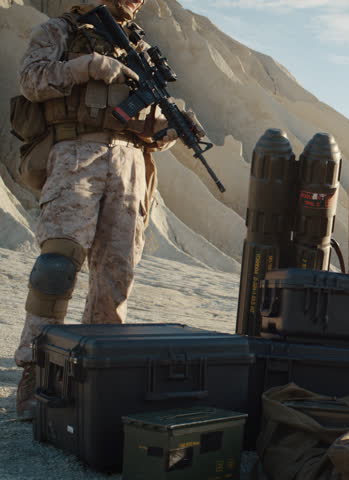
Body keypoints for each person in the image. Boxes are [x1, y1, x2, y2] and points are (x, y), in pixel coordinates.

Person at [14, 0, 177, 421]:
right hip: (74, 154)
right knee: (57, 266)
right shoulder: (59, 30)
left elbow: (146, 119)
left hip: (130, 164)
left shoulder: (140, 48)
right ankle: (35, 372)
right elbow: (31, 81)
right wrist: (83, 67)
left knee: (115, 276)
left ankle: (95, 380)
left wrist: (168, 128)